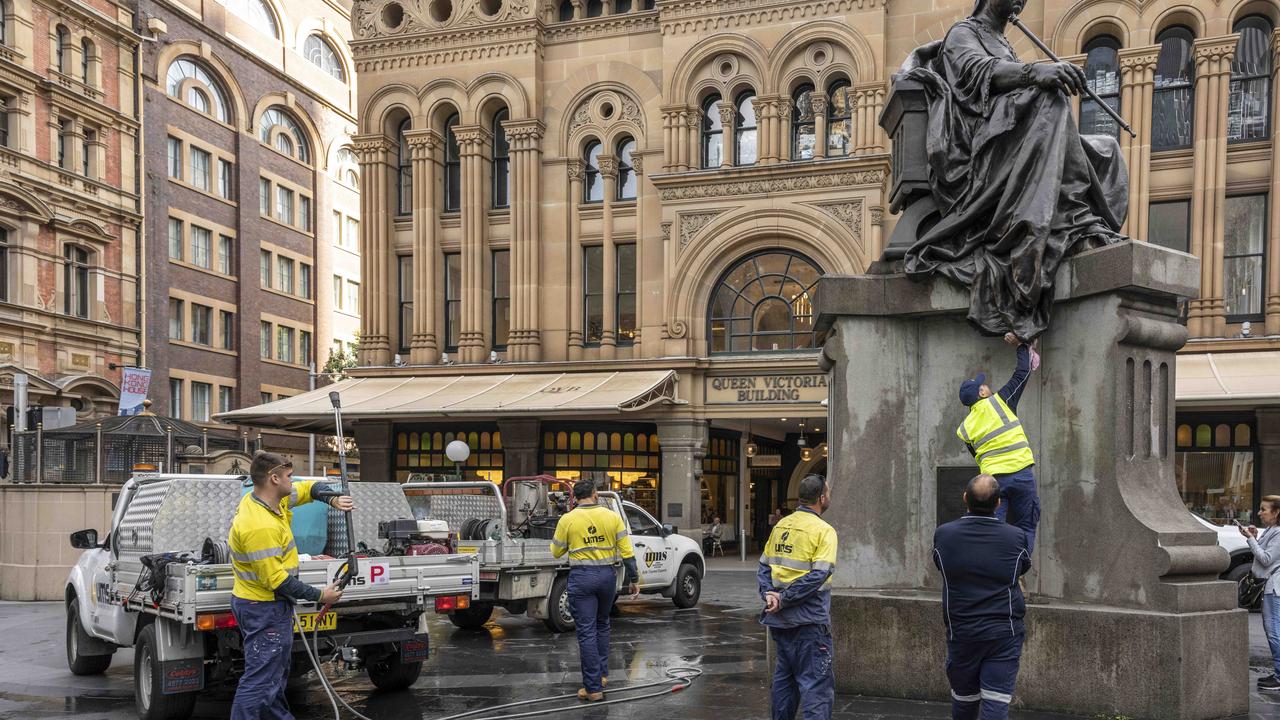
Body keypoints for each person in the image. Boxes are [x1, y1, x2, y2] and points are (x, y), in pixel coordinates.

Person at [900, 0, 1126, 340]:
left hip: (1015, 137)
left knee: (1107, 148)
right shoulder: (962, 33)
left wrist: (1038, 77)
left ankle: (1076, 222)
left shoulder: (1005, 42)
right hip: (979, 151)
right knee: (1051, 99)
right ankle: (1033, 230)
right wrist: (1037, 73)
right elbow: (975, 74)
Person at [228, 451, 353, 720]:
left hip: (269, 606)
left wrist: (331, 497)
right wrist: (322, 595)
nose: (292, 481)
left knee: (273, 676)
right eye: (288, 476)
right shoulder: (258, 526)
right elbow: (278, 581)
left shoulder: (273, 501)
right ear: (274, 479)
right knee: (261, 680)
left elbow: (309, 488)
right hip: (262, 607)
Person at [933, 474, 1031, 720]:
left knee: (964, 700)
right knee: (996, 702)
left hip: (962, 632)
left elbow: (940, 563)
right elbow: (1022, 567)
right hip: (1004, 633)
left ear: (965, 498)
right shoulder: (1015, 537)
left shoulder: (944, 535)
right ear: (999, 503)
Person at [550, 479, 639, 702]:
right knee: (603, 625)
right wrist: (634, 578)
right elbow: (627, 552)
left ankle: (592, 688)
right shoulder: (612, 517)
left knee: (586, 631)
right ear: (595, 494)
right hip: (607, 578)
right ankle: (601, 676)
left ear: (576, 498)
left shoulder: (568, 519)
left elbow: (556, 552)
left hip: (582, 578)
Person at [758, 475, 837, 720]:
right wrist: (784, 598)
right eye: (828, 493)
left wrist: (769, 596)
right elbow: (819, 576)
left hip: (781, 623)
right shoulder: (824, 531)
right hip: (810, 623)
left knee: (784, 683)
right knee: (816, 689)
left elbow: (763, 567)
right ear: (821, 498)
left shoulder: (781, 526)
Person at [957, 332, 1040, 551]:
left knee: (992, 529)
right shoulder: (1001, 401)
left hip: (994, 482)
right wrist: (1021, 347)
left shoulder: (965, 428)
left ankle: (996, 570)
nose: (986, 385)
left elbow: (977, 455)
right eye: (982, 386)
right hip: (1022, 474)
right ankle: (1018, 568)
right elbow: (1022, 373)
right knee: (1026, 526)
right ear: (982, 393)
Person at [1241, 496, 1280, 692]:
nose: (1259, 513)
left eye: (1263, 509)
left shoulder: (1279, 533)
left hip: (1274, 588)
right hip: (1270, 587)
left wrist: (1250, 540)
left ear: (1276, 512)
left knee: (1274, 631)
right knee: (1273, 630)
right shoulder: (1272, 530)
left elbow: (1265, 559)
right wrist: (1254, 537)